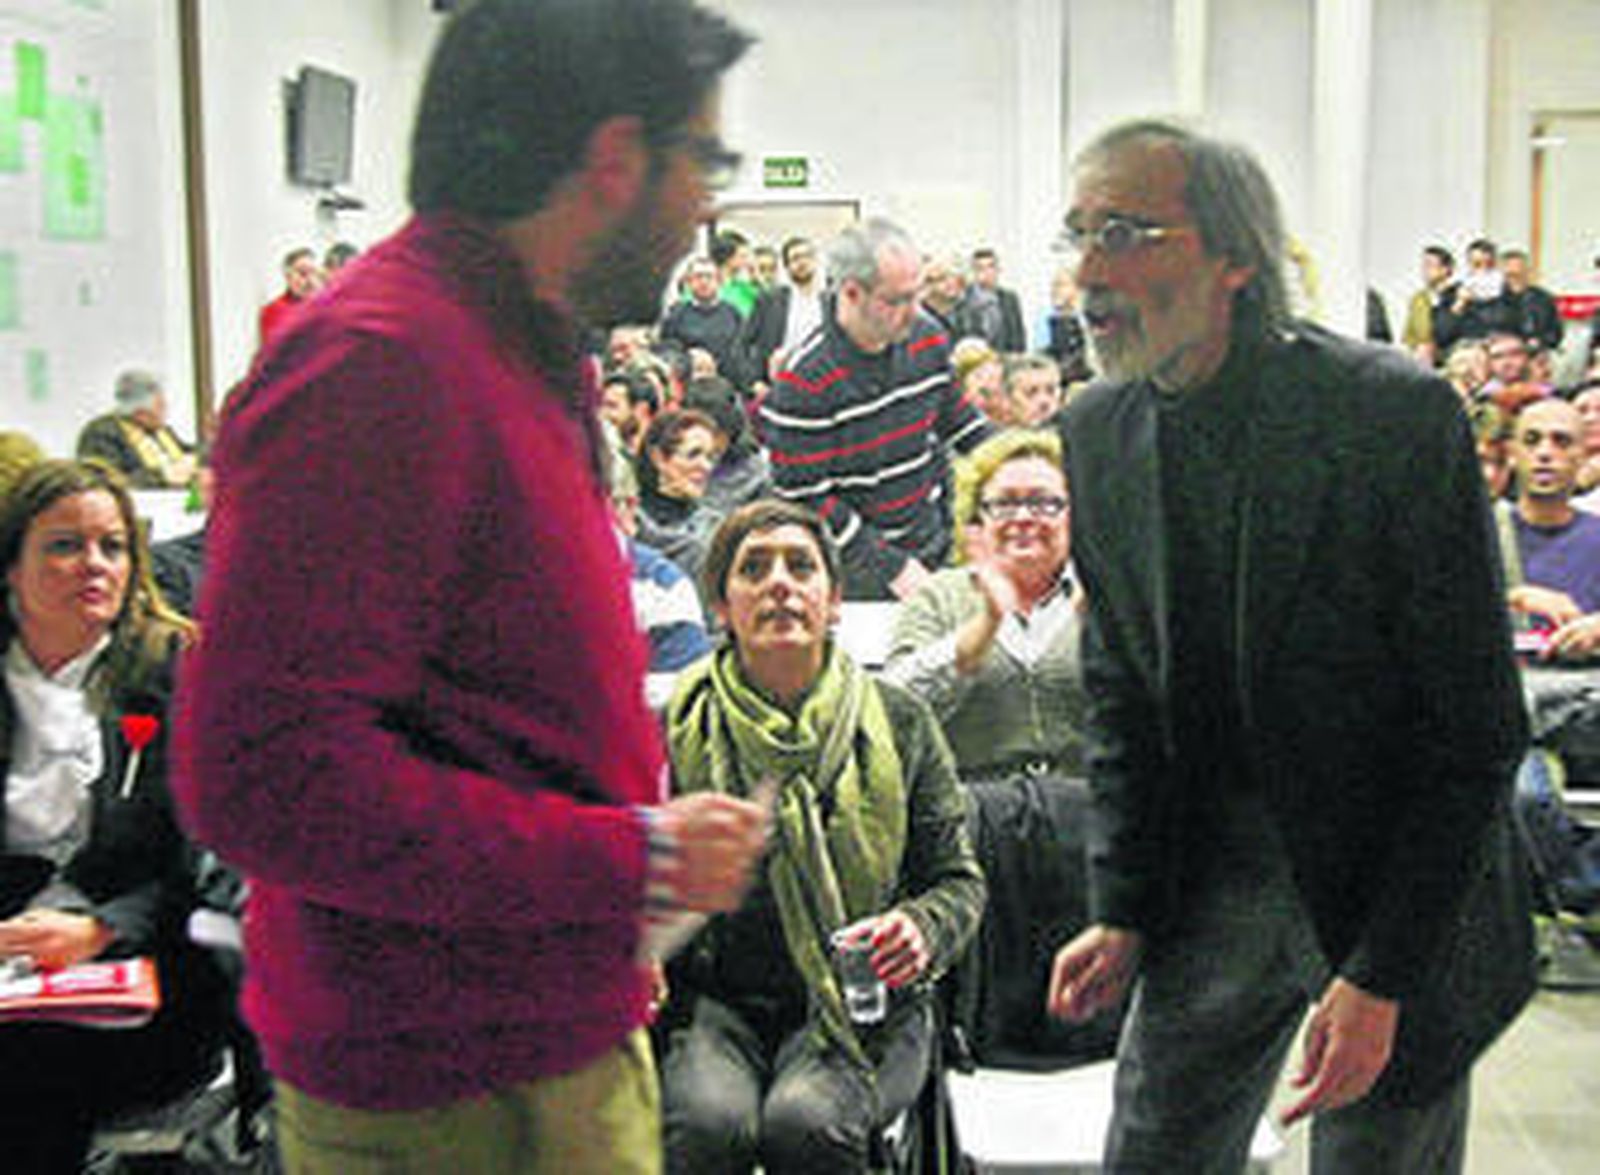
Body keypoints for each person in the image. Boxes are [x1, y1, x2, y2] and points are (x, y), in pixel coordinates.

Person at [172, 4, 766, 1172]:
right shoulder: (381, 363)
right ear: (612, 159)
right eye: (705, 160)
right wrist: (624, 861)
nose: (709, 203)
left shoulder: (519, 345)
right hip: (442, 1090)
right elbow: (264, 778)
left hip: (542, 1040)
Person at [1046, 118, 1534, 1174]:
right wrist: (1121, 904)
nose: (1088, 272)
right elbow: (1121, 688)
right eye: (1079, 233)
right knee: (1151, 1152)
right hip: (1210, 879)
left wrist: (1385, 975)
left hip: (1391, 883)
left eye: (1128, 233)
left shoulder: (1391, 418)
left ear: (1234, 257)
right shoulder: (1096, 430)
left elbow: (1476, 731)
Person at [660, 499, 985, 1175]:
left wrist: (919, 926)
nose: (779, 581)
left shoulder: (899, 719)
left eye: (800, 566)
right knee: (708, 1125)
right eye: (754, 568)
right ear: (721, 605)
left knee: (806, 1123)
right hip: (717, 1003)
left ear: (833, 600)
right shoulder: (675, 724)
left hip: (865, 1003)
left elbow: (958, 880)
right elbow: (629, 878)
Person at [0, 460, 226, 1172]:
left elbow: (202, 859)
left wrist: (99, 927)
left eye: (113, 545)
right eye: (63, 545)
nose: (92, 565)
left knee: (30, 1065)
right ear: (11, 566)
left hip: (140, 959)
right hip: (10, 947)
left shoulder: (178, 672)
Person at [762, 218, 992, 600]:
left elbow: (961, 425)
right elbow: (805, 497)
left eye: (917, 294)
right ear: (851, 293)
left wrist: (1022, 463)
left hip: (929, 541)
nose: (913, 310)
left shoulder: (927, 336)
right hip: (853, 570)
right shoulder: (806, 380)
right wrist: (890, 565)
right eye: (896, 300)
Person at [883, 428, 1086, 779]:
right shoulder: (939, 595)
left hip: (1090, 808)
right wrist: (985, 626)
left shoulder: (1104, 593)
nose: (1023, 517)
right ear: (978, 519)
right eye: (1004, 504)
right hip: (972, 810)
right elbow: (893, 713)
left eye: (1044, 503)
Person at [637, 408, 727, 587]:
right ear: (659, 458)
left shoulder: (716, 529)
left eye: (710, 457)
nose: (705, 466)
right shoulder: (628, 523)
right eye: (693, 454)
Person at [75, 370, 196, 491]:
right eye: (160, 407)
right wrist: (162, 476)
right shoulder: (100, 434)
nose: (165, 413)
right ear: (140, 413)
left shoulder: (160, 431)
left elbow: (186, 451)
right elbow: (106, 480)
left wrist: (195, 459)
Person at [663, 256, 748, 385]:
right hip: (688, 384)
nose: (704, 282)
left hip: (727, 385)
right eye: (698, 277)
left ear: (719, 281)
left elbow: (743, 352)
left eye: (709, 276)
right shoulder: (676, 314)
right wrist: (689, 358)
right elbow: (666, 351)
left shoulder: (733, 313)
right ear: (689, 282)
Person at [960, 247, 1026, 353]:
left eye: (991, 267)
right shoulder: (964, 299)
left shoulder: (1009, 298)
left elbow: (1018, 334)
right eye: (980, 268)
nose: (987, 272)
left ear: (998, 270)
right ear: (973, 272)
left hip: (1005, 360)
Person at [256, 245, 324, 346]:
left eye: (314, 273)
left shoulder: (326, 308)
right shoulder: (273, 311)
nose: (310, 281)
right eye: (303, 274)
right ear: (288, 277)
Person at [1402, 244, 1457, 366]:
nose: (1424, 270)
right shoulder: (1418, 299)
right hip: (1422, 363)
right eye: (1423, 266)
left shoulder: (1459, 296)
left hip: (1450, 361)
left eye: (1429, 265)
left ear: (1446, 269)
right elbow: (1410, 336)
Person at [1004, 353, 1066, 426]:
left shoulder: (1075, 431)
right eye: (1031, 393)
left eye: (1051, 391)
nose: (1044, 401)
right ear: (1009, 400)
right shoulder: (997, 436)